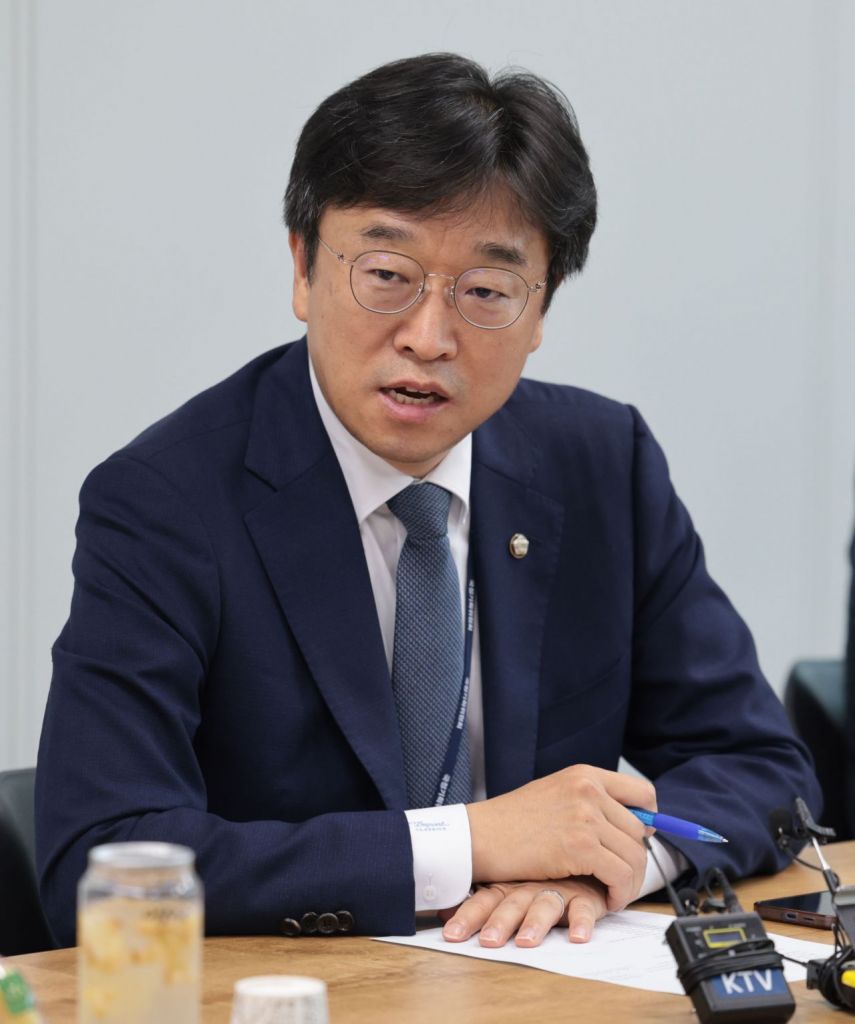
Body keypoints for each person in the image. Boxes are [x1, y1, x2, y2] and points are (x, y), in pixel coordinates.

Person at [36, 52, 820, 951]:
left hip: (541, 982)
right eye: (386, 274)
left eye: (485, 291)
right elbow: (99, 865)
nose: (428, 336)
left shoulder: (602, 464)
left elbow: (765, 772)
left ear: (540, 310)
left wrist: (611, 858)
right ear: (302, 268)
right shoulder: (166, 502)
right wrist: (470, 845)